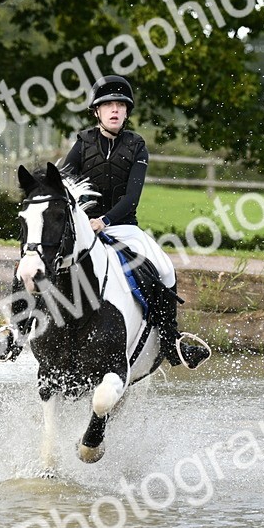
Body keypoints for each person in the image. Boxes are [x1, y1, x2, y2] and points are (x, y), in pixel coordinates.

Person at [59, 75, 210, 369]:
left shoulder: (136, 145)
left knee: (164, 267)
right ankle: (17, 330)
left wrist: (104, 220)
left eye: (120, 105)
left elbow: (132, 197)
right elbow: (63, 183)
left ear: (127, 112)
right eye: (108, 105)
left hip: (123, 227)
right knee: (42, 257)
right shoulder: (82, 142)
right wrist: (80, 219)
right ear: (97, 111)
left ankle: (171, 343)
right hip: (83, 228)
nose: (114, 110)